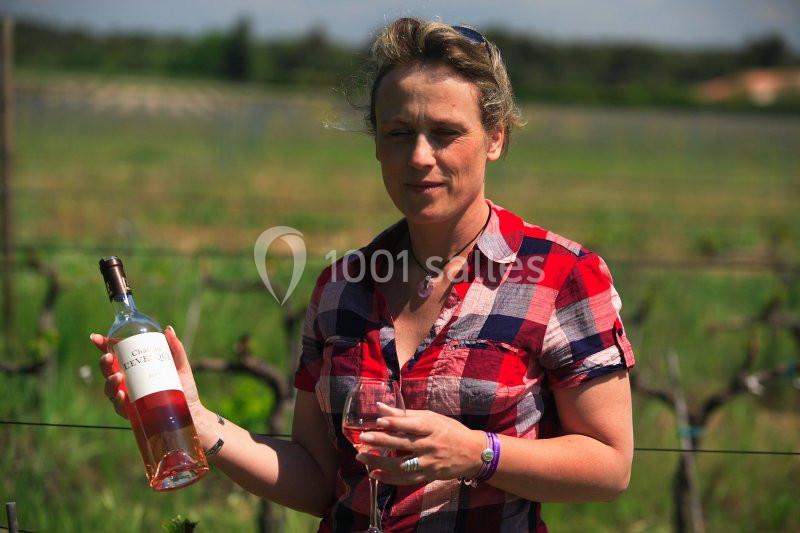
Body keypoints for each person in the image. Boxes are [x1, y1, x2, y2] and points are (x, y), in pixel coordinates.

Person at [91, 17, 635, 532]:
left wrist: (479, 454)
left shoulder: (562, 275)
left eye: (445, 132)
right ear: (377, 142)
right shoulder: (340, 288)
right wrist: (197, 418)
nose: (419, 157)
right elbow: (317, 478)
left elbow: (610, 466)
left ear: (495, 138)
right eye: (399, 132)